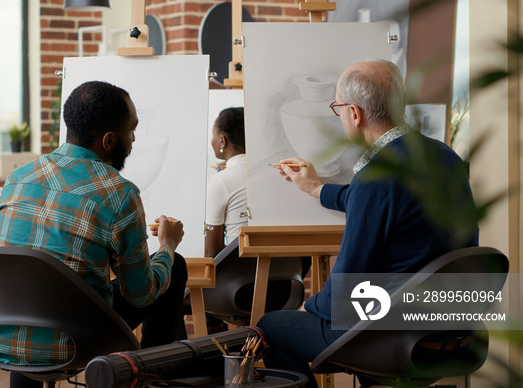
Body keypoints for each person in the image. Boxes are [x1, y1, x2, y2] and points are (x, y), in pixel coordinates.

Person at [257, 60, 478, 388]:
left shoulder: (376, 177)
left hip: (398, 338)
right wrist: (317, 189)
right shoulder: (444, 157)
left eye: (337, 108)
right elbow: (383, 203)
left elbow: (344, 291)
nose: (340, 115)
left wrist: (310, 308)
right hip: (453, 333)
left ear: (355, 113)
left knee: (270, 328)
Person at [0, 80, 189, 388]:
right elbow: (140, 294)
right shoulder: (120, 194)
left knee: (33, 294)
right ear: (109, 140)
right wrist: (167, 245)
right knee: (174, 267)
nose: (134, 139)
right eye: (131, 131)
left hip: (2, 338)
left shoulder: (18, 179)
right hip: (76, 342)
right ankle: (150, 380)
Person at [205, 107, 247, 258]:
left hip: (241, 277)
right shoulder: (274, 173)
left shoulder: (221, 181)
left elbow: (211, 252)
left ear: (222, 140)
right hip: (283, 277)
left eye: (213, 135)